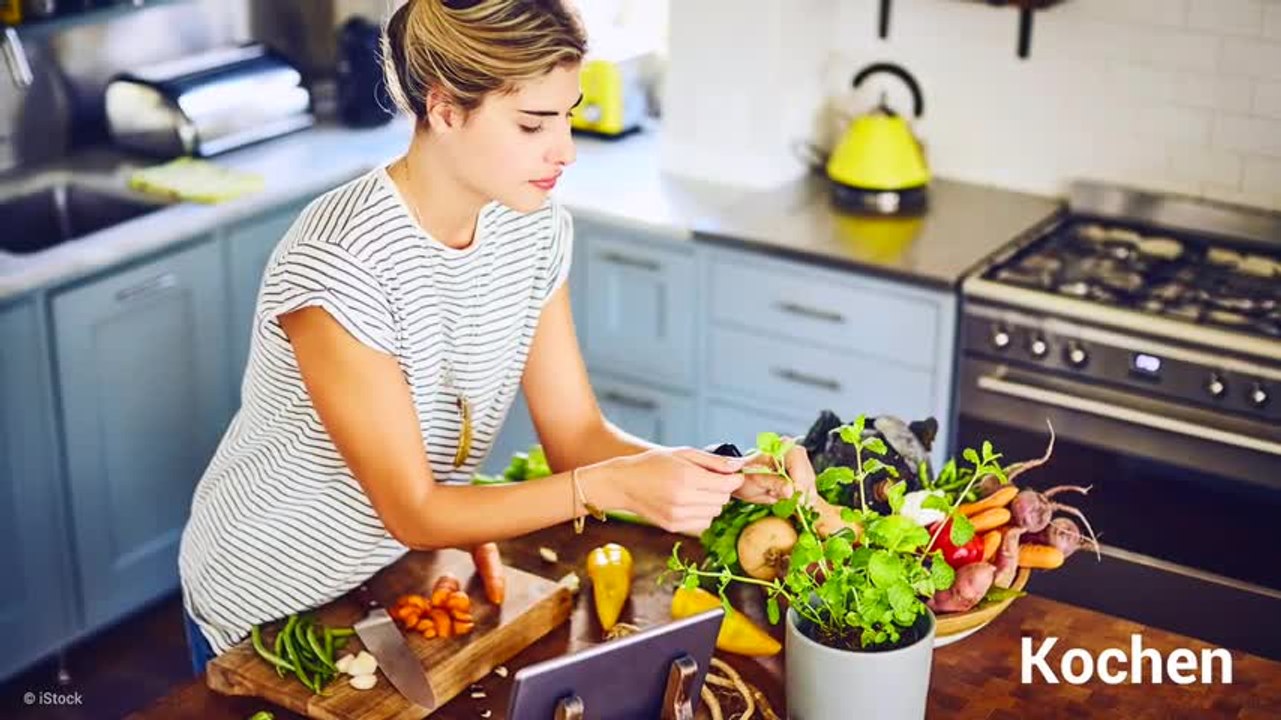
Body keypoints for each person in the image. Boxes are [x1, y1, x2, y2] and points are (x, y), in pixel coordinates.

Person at [177, 0, 811, 675]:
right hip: (267, 596)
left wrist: (718, 473)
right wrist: (614, 488)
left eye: (567, 114)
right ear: (446, 107)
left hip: (387, 577)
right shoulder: (341, 261)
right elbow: (415, 510)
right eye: (533, 123)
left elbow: (575, 436)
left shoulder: (531, 227)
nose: (563, 149)